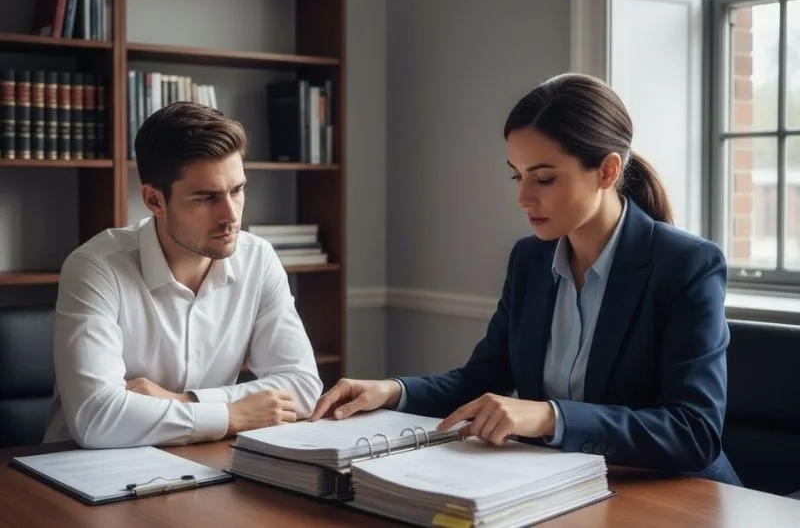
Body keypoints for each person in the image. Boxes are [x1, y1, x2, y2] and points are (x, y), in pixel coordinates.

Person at [311, 73, 741, 486]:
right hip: (562, 485)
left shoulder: (687, 265)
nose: (523, 198)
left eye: (545, 178)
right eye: (517, 175)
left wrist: (548, 416)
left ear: (608, 171)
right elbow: (484, 378)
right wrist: (390, 391)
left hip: (674, 498)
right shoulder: (530, 259)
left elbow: (694, 432)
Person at [44, 102, 322, 449]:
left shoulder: (258, 259)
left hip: (203, 463)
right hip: (80, 475)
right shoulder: (95, 268)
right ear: (154, 200)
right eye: (207, 198)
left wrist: (184, 401)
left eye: (237, 190)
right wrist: (232, 415)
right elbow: (97, 419)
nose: (231, 216)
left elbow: (303, 387)